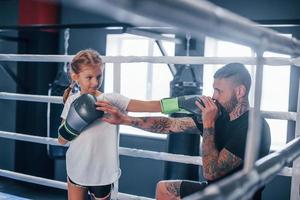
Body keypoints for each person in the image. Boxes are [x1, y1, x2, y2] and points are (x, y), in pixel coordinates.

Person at [97, 63, 271, 200]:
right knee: (164, 189)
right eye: (214, 89)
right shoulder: (221, 115)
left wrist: (209, 123)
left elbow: (211, 172)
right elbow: (169, 124)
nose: (214, 96)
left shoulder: (253, 127)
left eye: (219, 91)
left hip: (237, 196)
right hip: (214, 190)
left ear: (240, 91)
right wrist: (124, 119)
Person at [58, 49, 162, 200]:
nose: (95, 82)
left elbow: (148, 106)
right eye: (89, 77)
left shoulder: (112, 100)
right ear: (76, 77)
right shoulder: (71, 101)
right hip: (77, 166)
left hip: (103, 171)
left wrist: (179, 103)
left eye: (99, 76)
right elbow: (61, 140)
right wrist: (73, 124)